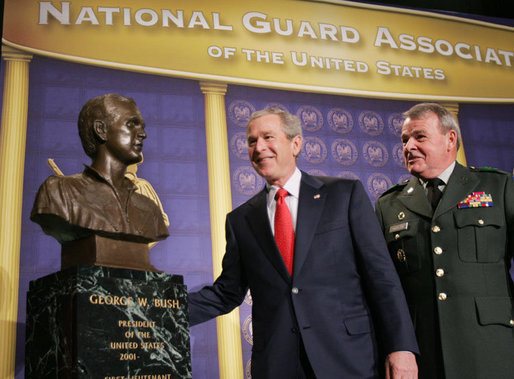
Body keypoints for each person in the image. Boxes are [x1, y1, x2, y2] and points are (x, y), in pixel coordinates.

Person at [189, 109, 418, 378]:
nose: (259, 147)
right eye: (252, 141)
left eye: (268, 137)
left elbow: (381, 277)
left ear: (295, 143)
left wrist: (401, 347)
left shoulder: (344, 195)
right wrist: (157, 309)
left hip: (348, 358)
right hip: (278, 364)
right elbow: (226, 293)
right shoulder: (240, 220)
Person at [375, 103, 514, 379]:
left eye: (420, 136)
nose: (409, 146)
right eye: (405, 140)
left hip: (491, 347)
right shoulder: (388, 204)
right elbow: (383, 286)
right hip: (424, 352)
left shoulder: (498, 187)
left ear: (450, 139)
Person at [31, 94, 169, 269]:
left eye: (142, 126)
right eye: (131, 124)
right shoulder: (59, 193)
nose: (143, 134)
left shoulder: (149, 208)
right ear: (101, 130)